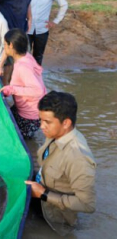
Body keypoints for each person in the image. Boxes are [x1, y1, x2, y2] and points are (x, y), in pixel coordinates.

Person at [25, 91, 96, 236]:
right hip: (41, 190)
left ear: (66, 123)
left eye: (47, 122)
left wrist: (43, 194)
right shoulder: (55, 133)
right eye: (40, 120)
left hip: (53, 215)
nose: (41, 126)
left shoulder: (78, 158)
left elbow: (87, 205)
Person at [0, 29, 46, 138]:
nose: (4, 48)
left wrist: (11, 89)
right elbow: (7, 51)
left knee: (19, 141)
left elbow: (37, 90)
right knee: (7, 126)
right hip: (28, 109)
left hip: (29, 116)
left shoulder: (22, 67)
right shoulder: (26, 56)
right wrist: (0, 65)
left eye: (4, 45)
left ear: (11, 46)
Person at [29, 0, 68, 65]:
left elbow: (64, 5)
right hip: (26, 29)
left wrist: (55, 21)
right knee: (24, 55)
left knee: (38, 56)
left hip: (42, 30)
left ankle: (36, 78)